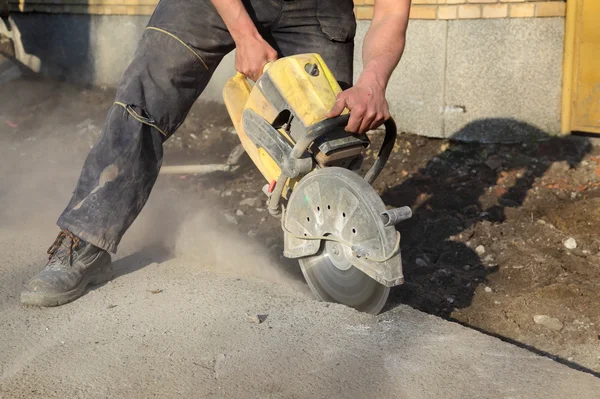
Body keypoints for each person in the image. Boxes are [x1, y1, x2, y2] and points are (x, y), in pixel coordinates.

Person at [20, 0, 411, 307]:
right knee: (145, 99)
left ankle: (338, 257)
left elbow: (392, 8)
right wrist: (244, 33)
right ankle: (85, 239)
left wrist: (373, 81)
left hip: (317, 9)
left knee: (327, 135)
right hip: (208, 4)